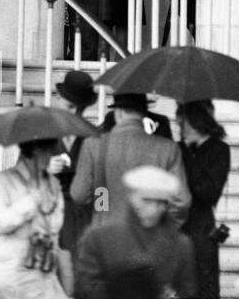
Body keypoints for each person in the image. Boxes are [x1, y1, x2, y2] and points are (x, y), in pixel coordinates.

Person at [74, 165, 197, 299]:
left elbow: (187, 294)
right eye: (146, 200)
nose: (154, 209)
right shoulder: (99, 237)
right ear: (132, 197)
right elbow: (83, 289)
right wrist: (117, 289)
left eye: (161, 202)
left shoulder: (180, 244)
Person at [70, 92, 190, 233]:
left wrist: (102, 202)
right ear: (144, 114)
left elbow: (79, 195)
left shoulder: (93, 145)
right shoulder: (168, 148)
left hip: (105, 236)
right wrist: (165, 229)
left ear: (118, 112)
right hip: (151, 238)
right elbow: (182, 201)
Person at [0, 138, 72, 299]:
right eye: (48, 151)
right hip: (10, 272)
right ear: (35, 152)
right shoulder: (4, 180)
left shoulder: (53, 183)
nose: (51, 156)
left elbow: (55, 224)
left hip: (42, 269)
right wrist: (29, 202)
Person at [175, 100, 230, 299]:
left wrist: (187, 159)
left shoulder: (218, 149)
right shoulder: (178, 148)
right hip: (175, 227)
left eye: (181, 124)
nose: (179, 130)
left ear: (194, 122)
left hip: (201, 228)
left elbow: (208, 192)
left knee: (203, 291)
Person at [50, 70, 98, 254]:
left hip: (86, 222)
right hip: (50, 222)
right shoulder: (40, 135)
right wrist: (44, 169)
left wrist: (102, 215)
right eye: (70, 107)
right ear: (57, 99)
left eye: (80, 109)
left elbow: (104, 185)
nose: (75, 114)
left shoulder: (95, 136)